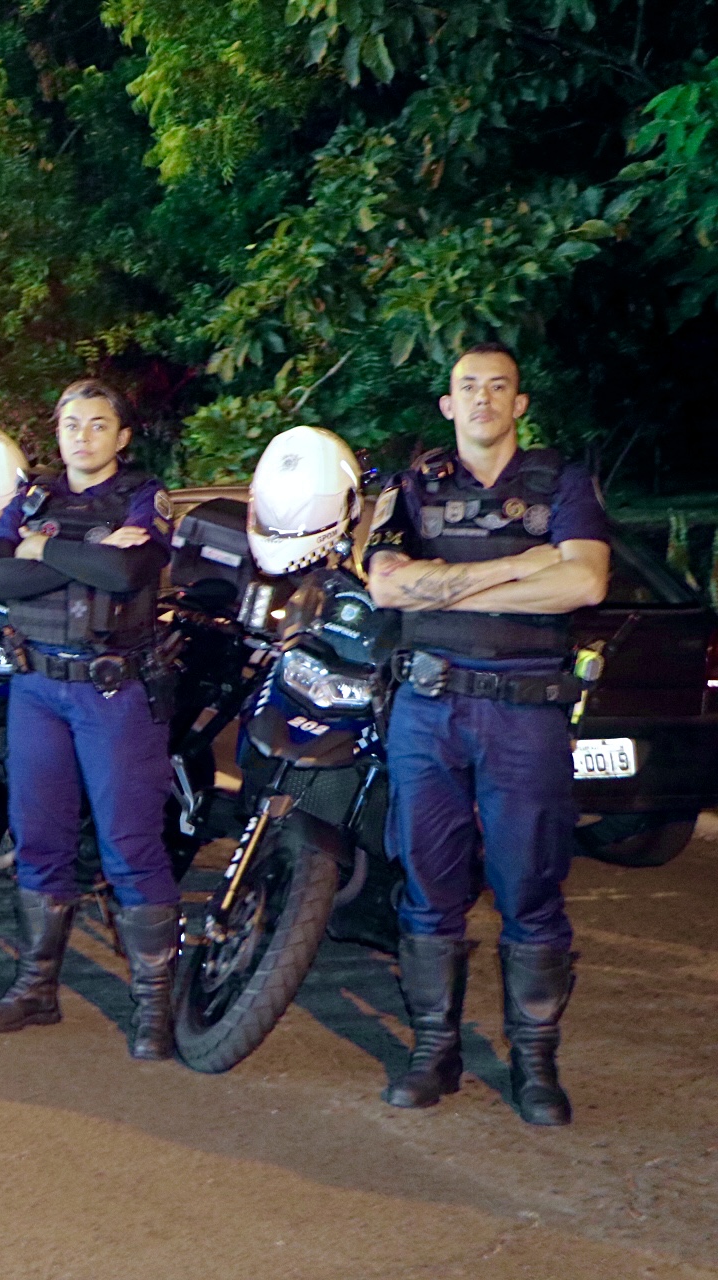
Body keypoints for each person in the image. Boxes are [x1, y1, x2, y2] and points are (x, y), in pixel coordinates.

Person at [365, 342, 610, 1126]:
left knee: (528, 885)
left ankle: (535, 1064)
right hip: (427, 712)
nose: (481, 399)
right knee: (429, 885)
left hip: (523, 712)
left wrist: (446, 586)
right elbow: (388, 586)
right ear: (447, 403)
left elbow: (584, 581)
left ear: (520, 403)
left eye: (497, 386)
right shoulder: (412, 488)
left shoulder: (562, 484)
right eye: (467, 387)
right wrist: (512, 570)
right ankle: (433, 1049)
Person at [0, 379, 180, 1058]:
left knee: (130, 845)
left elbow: (127, 576)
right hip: (37, 686)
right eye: (70, 425)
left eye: (97, 425)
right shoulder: (31, 497)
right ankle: (36, 989)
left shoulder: (145, 497)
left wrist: (42, 549)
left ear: (122, 437)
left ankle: (153, 1007)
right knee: (38, 839)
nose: (82, 436)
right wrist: (84, 555)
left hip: (112, 690)